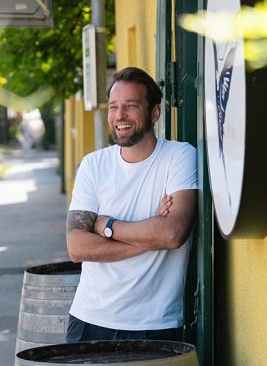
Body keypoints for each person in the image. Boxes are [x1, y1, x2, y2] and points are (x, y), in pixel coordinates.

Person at [65, 66, 197, 342]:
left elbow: (172, 234)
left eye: (131, 106)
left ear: (155, 113)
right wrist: (150, 236)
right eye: (113, 107)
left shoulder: (179, 157)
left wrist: (107, 226)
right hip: (89, 319)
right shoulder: (93, 164)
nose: (119, 116)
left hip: (154, 325)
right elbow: (77, 247)